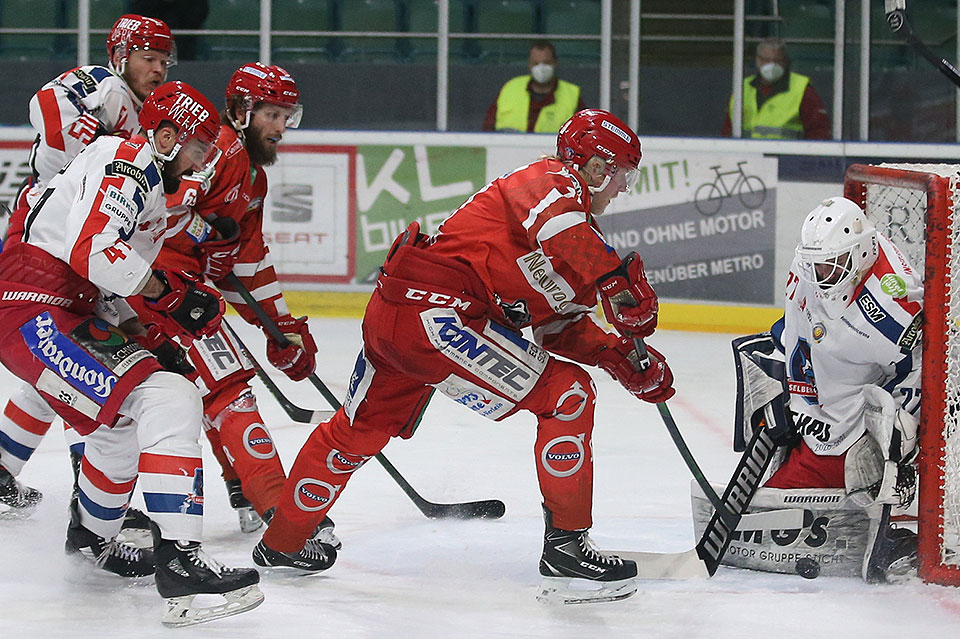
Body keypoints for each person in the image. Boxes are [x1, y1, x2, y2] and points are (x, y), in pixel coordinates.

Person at [251, 109, 675, 605]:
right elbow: (560, 227)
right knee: (570, 397)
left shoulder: (577, 230)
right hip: (438, 317)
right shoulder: (551, 181)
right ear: (596, 166)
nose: (623, 187)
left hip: (398, 315)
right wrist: (613, 282)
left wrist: (619, 354)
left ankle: (283, 543)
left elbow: (557, 328)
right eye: (622, 172)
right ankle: (567, 545)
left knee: (354, 432)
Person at [0, 80, 264, 626]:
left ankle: (93, 539)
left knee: (119, 420)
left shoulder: (141, 179)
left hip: (58, 308)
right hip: (36, 309)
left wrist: (151, 335)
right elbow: (91, 251)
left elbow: (102, 280)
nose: (202, 164)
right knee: (169, 397)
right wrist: (170, 296)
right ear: (165, 136)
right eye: (196, 149)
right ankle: (181, 559)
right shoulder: (128, 161)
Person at [132, 61, 336, 547]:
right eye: (273, 115)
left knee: (207, 392)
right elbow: (163, 205)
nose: (283, 128)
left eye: (289, 116)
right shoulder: (217, 150)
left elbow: (248, 257)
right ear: (243, 111)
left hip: (175, 287)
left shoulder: (252, 177)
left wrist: (282, 327)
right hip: (158, 288)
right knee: (228, 387)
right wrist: (207, 235)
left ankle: (243, 493)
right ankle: (278, 507)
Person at [0, 14, 176, 526]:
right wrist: (82, 157)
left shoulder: (145, 118)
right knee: (90, 363)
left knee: (59, 371)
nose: (158, 70)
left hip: (75, 239)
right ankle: (90, 497)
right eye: (149, 58)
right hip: (54, 235)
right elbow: (46, 104)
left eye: (165, 61)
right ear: (121, 56)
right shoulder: (106, 86)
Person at [721, 197, 921, 583]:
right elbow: (796, 328)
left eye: (829, 265)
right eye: (814, 264)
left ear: (861, 254)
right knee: (760, 520)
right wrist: (784, 387)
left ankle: (893, 517)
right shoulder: (809, 267)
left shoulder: (894, 307)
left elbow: (919, 370)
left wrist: (894, 435)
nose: (818, 275)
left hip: (849, 425)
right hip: (816, 416)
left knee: (761, 526)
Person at [722, 37, 830, 140]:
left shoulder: (802, 89)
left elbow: (819, 132)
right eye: (766, 60)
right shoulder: (743, 88)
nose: (772, 65)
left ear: (786, 62)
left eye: (777, 61)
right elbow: (728, 129)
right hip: (748, 157)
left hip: (787, 156)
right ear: (757, 60)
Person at [481, 40, 587, 133]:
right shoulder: (510, 88)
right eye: (536, 63)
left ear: (555, 63)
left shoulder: (571, 95)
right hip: (509, 152)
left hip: (551, 153)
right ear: (529, 65)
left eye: (546, 63)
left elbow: (585, 133)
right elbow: (487, 129)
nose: (541, 68)